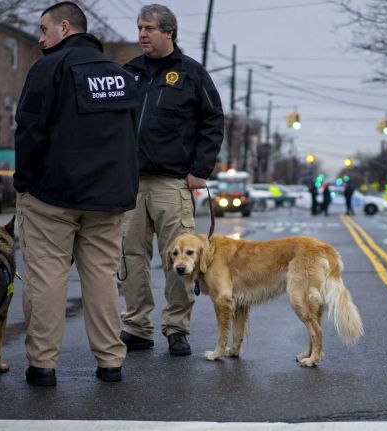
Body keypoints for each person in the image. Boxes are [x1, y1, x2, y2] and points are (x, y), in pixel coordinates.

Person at [14, 1, 138, 385]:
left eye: (43, 30)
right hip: (109, 197)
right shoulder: (120, 76)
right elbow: (132, 136)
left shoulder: (49, 68)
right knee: (101, 278)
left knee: (47, 277)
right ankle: (111, 362)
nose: (40, 38)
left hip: (54, 194)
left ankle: (43, 365)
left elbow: (29, 129)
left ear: (64, 28)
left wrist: (25, 181)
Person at [118, 4, 224, 356]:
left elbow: (213, 121)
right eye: (139, 28)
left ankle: (176, 329)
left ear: (169, 32)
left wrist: (199, 170)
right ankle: (137, 326)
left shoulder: (191, 73)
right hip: (130, 182)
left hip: (173, 183)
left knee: (179, 259)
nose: (142, 35)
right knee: (131, 256)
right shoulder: (129, 73)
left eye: (149, 28)